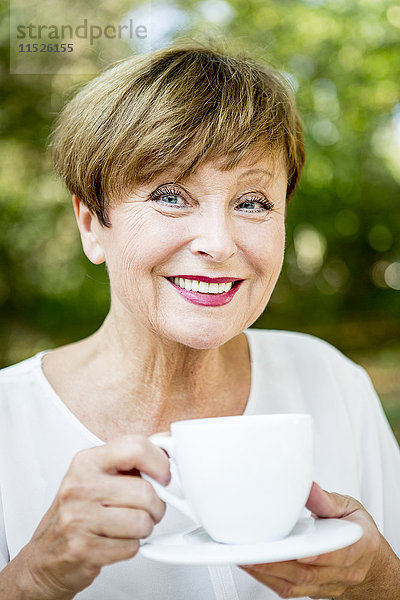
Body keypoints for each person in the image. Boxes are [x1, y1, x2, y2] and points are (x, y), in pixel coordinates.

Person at [0, 40, 399, 600]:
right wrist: (32, 579)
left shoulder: (331, 380)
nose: (218, 244)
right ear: (92, 224)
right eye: (171, 195)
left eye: (253, 203)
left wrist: (380, 579)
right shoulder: (7, 425)